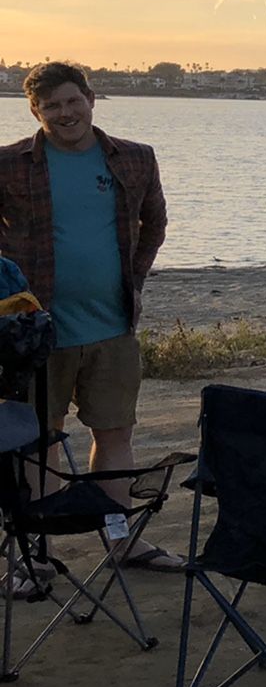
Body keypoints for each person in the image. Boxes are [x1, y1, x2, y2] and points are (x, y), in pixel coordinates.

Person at [0, 60, 181, 570]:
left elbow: (155, 224)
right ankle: (34, 551)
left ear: (91, 98)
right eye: (51, 106)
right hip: (34, 333)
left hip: (112, 328)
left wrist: (136, 280)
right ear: (35, 111)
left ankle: (120, 539)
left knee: (116, 434)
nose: (65, 113)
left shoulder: (136, 159)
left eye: (71, 101)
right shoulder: (9, 164)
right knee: (38, 441)